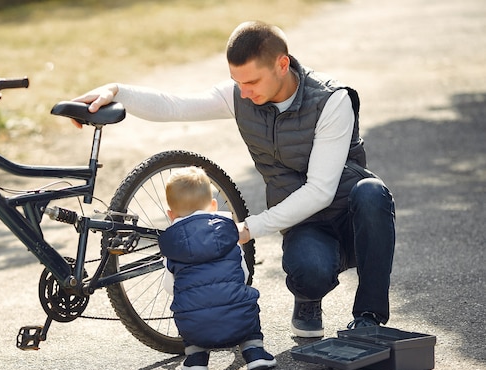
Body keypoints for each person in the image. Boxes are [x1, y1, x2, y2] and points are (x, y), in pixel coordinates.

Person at [71, 21, 396, 338]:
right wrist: (116, 90)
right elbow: (175, 106)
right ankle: (309, 297)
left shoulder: (332, 100)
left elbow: (321, 191)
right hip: (306, 225)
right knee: (310, 270)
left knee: (373, 193)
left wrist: (249, 228)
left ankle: (368, 318)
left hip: (350, 213)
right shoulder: (241, 95)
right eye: (237, 82)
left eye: (252, 81)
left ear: (282, 64)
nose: (243, 91)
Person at [159, 166, 276, 370]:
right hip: (239, 321)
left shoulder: (172, 244)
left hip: (195, 328)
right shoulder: (228, 232)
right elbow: (244, 274)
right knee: (245, 299)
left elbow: (171, 287)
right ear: (213, 206)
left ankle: (196, 357)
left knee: (187, 305)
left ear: (171, 215)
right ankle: (254, 352)